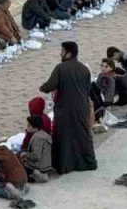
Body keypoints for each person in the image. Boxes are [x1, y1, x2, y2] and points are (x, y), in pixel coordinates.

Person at [40, 42, 97, 174]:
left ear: (68, 53)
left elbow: (49, 86)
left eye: (62, 51)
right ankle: (87, 162)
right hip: (82, 107)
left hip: (65, 108)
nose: (60, 53)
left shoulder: (60, 68)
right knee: (82, 134)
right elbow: (87, 88)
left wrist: (42, 87)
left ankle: (65, 165)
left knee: (65, 136)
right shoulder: (84, 69)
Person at [19, 114, 54, 183]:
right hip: (44, 164)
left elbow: (36, 156)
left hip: (40, 166)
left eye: (29, 126)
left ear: (35, 128)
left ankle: (35, 176)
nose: (27, 128)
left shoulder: (37, 138)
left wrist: (25, 154)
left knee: (18, 165)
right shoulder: (42, 134)